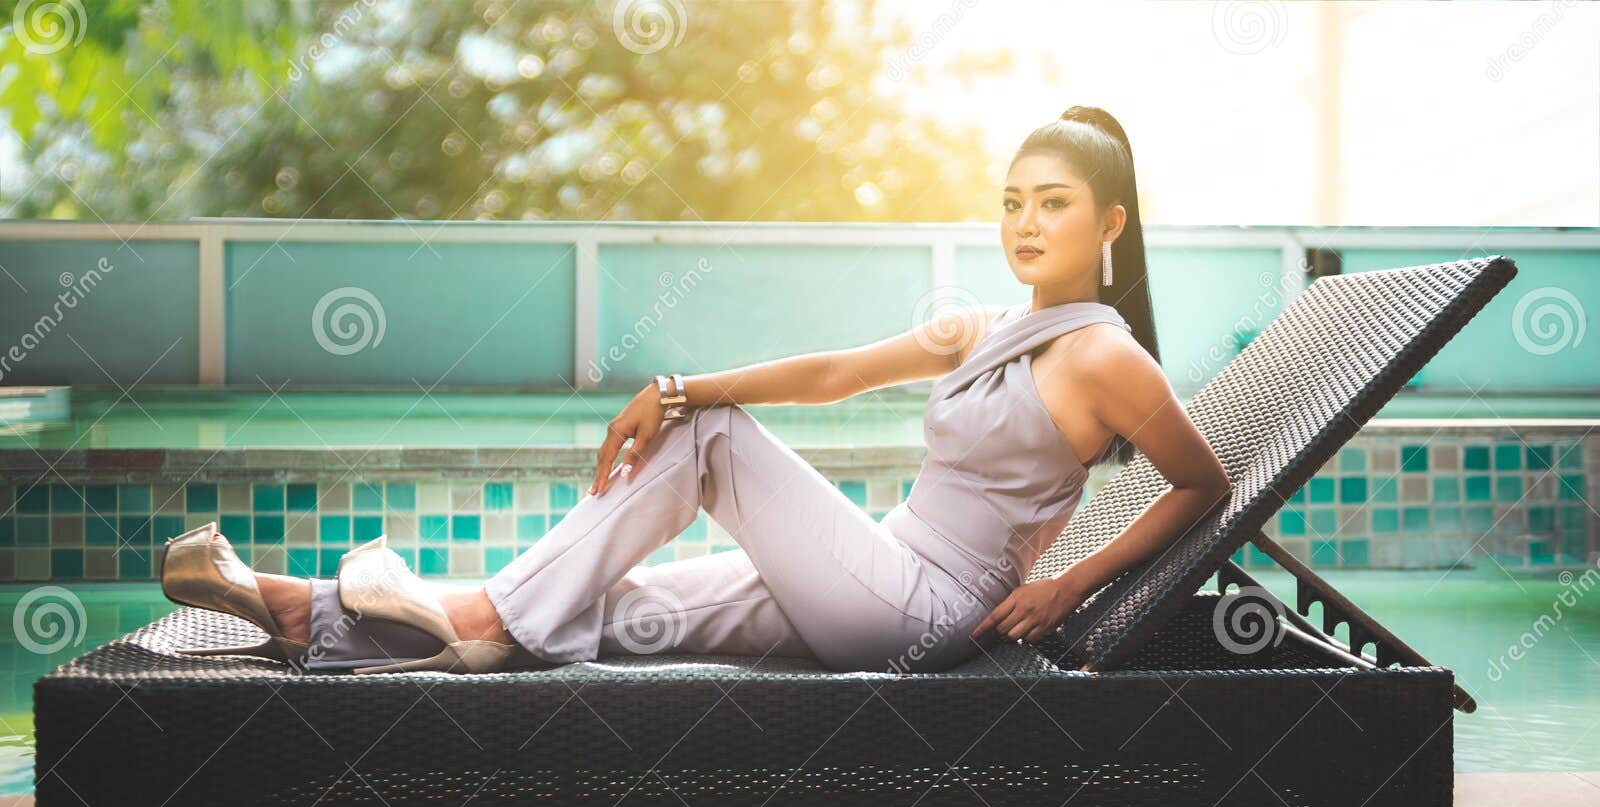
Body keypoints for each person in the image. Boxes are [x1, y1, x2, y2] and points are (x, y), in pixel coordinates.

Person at [160, 105, 1230, 676]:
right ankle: (306, 614)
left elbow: (1204, 483)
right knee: (614, 611)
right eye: (1010, 202)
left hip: (927, 611)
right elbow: (833, 374)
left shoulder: (1102, 356)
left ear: (1109, 225)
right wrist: (679, 381)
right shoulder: (988, 326)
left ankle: (480, 607)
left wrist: (1067, 584)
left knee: (708, 432)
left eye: (1053, 203)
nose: (1025, 224)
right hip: (873, 566)